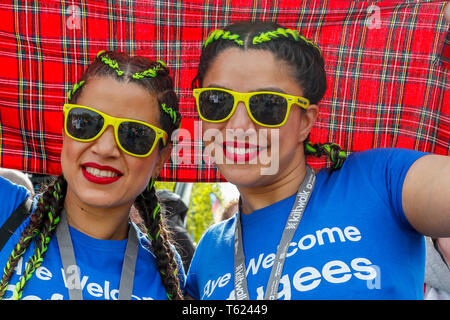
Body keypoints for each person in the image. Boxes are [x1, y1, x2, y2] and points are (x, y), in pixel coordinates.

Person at [185, 21, 450, 300]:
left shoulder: (381, 181)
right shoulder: (209, 252)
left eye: (267, 104)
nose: (238, 125)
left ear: (305, 121)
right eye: (217, 102)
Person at [0, 51, 184, 300]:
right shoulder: (5, 207)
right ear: (65, 129)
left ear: (162, 157)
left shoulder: (168, 274)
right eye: (85, 122)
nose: (105, 148)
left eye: (135, 135)